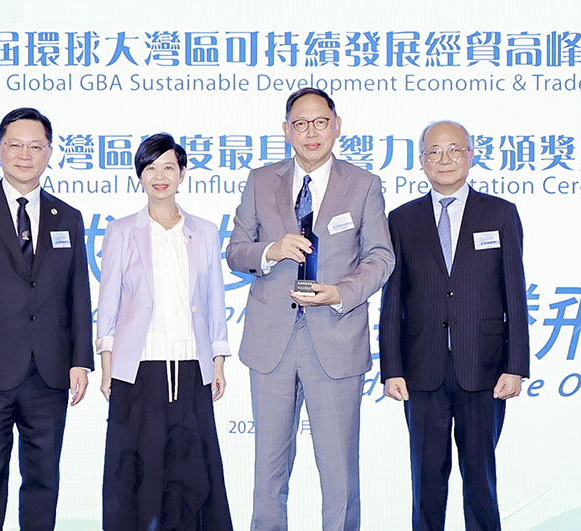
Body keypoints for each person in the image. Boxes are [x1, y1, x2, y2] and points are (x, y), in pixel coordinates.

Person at [226, 88, 394, 531]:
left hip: (336, 339)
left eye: (320, 122)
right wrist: (271, 250)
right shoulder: (261, 180)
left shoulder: (364, 185)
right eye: (300, 124)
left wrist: (339, 293)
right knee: (269, 470)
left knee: (339, 472)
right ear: (287, 131)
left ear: (337, 126)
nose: (311, 132)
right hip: (271, 343)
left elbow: (380, 257)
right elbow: (236, 251)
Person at [0, 107, 94, 531]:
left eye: (35, 146)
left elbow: (78, 294)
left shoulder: (69, 217)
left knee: (44, 477)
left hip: (50, 372)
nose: (25, 155)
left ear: (49, 153)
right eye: (16, 145)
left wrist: (80, 360)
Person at [379, 120, 530, 531]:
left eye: (454, 149)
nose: (444, 159)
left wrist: (516, 365)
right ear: (421, 160)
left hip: (484, 367)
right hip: (421, 369)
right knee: (426, 483)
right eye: (434, 151)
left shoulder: (499, 213)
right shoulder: (402, 219)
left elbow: (515, 293)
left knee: (480, 481)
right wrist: (391, 368)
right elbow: (392, 300)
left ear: (470, 156)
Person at [96, 133, 233, 530]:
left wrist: (218, 362)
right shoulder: (122, 231)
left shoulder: (204, 231)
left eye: (169, 167)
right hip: (138, 370)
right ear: (140, 175)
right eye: (151, 168)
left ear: (182, 173)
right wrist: (107, 366)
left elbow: (214, 299)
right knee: (137, 473)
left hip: (191, 367)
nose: (160, 176)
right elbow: (109, 303)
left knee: (192, 471)